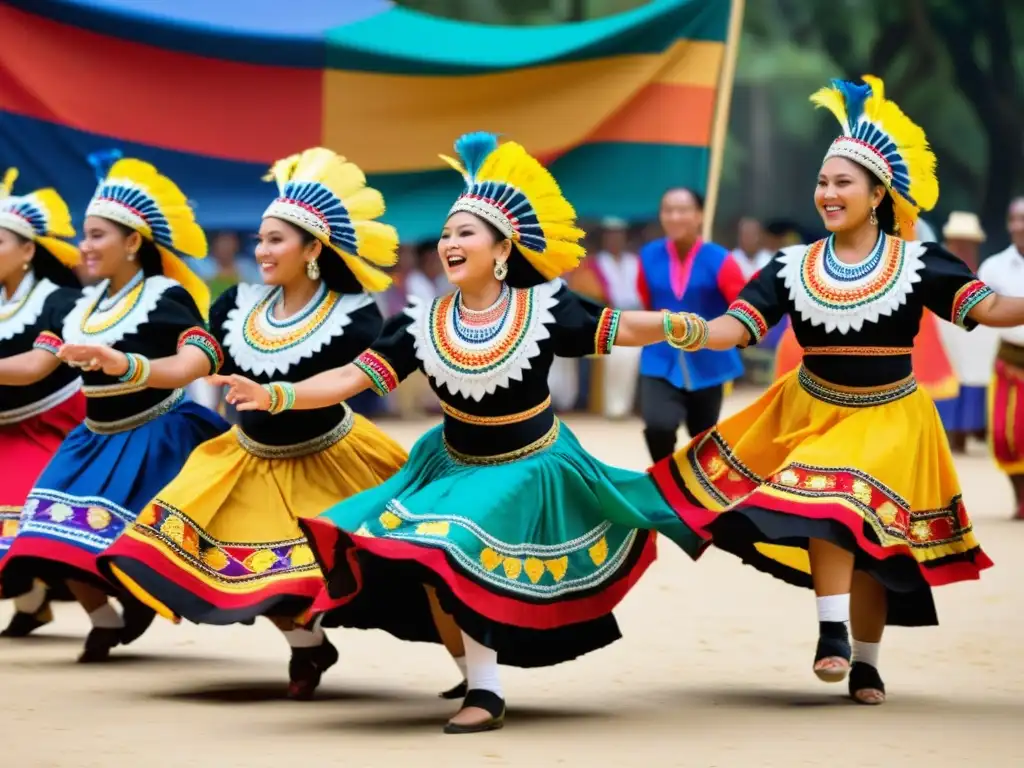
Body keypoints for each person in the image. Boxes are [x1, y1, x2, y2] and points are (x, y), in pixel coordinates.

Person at [215, 131, 704, 733]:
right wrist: (278, 394)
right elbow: (348, 377)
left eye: (464, 233)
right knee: (411, 554)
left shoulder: (544, 309)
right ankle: (476, 677)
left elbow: (621, 327)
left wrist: (682, 326)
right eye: (446, 234)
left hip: (532, 464)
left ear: (502, 249)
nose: (449, 242)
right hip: (451, 460)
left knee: (451, 543)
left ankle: (486, 693)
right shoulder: (420, 322)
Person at [649, 76, 1007, 706]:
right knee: (839, 514)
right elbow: (740, 325)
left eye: (843, 183)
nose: (828, 193)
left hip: (893, 416)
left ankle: (857, 655)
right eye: (822, 182)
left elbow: (990, 306)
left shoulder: (917, 263)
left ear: (876, 195)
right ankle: (840, 641)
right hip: (812, 409)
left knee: (855, 519)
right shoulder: (792, 266)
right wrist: (691, 328)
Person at [99, 148, 411, 699]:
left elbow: (345, 383)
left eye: (276, 240)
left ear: (313, 248)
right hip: (249, 460)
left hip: (328, 459)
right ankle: (308, 648)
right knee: (236, 574)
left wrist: (274, 394)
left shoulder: (353, 314)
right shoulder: (235, 307)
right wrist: (129, 365)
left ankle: (474, 676)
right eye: (260, 240)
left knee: (382, 570)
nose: (262, 250)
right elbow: (193, 364)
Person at [0, 151, 228, 663]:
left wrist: (124, 364)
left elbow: (196, 361)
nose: (85, 246)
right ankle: (105, 618)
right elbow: (37, 367)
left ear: (132, 242)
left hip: (156, 434)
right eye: (83, 234)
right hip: (93, 435)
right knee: (43, 531)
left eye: (97, 235)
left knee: (178, 546)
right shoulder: (77, 305)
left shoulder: (166, 296)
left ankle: (303, 641)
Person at [0, 170, 86, 637]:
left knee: (44, 526)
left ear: (29, 250)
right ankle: (34, 605)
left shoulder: (62, 302)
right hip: (4, 430)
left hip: (54, 428)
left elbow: (36, 367)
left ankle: (109, 615)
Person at [636, 187, 748, 462]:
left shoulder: (720, 260)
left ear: (699, 215)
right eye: (668, 210)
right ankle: (662, 484)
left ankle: (695, 493)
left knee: (703, 436)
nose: (675, 217)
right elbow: (646, 299)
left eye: (683, 210)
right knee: (658, 425)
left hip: (708, 358)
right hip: (660, 357)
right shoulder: (648, 256)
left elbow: (741, 307)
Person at [933, 212, 998, 452]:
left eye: (967, 242)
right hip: (941, 342)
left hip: (970, 343)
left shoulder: (984, 274)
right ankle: (947, 434)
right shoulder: (936, 266)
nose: (963, 246)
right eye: (958, 241)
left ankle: (964, 433)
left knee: (971, 374)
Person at [978, 196, 1024, 518]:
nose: (1019, 226)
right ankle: (1020, 498)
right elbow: (979, 310)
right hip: (1010, 360)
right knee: (1005, 436)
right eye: (1014, 219)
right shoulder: (993, 267)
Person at [589, 218, 643, 418]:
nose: (615, 240)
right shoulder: (595, 263)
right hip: (609, 319)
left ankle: (630, 406)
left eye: (618, 236)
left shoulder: (635, 262)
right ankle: (614, 407)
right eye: (610, 236)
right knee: (618, 355)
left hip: (637, 315)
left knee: (638, 354)